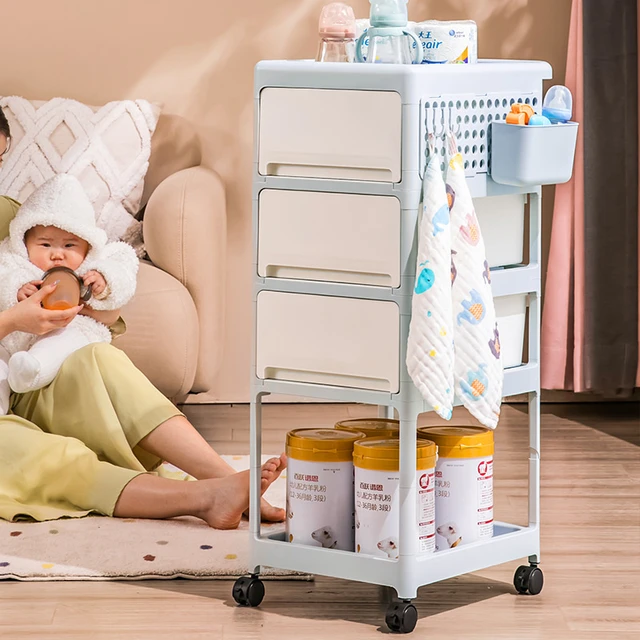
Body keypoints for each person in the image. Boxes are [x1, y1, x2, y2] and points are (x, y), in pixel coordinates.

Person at [0, 106, 286, 529]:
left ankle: (225, 480)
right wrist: (12, 321)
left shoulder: (12, 217)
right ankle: (203, 497)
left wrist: (86, 294)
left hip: (17, 383)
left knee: (98, 358)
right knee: (23, 451)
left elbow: (105, 312)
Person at [0, 173, 139, 410]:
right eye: (45, 245)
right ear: (24, 243)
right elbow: (5, 274)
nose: (57, 254)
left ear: (87, 244)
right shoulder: (17, 262)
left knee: (67, 339)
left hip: (70, 330)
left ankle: (32, 369)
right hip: (11, 341)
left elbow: (123, 271)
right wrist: (17, 291)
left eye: (69, 245)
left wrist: (104, 283)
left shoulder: (92, 266)